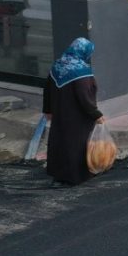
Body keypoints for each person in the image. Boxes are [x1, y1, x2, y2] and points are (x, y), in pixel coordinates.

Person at [42, 37, 105, 185]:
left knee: (60, 142)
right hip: (78, 118)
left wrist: (48, 110)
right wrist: (96, 115)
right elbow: (85, 98)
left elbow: (47, 89)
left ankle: (59, 174)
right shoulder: (82, 71)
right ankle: (76, 176)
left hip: (60, 114)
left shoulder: (57, 66)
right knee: (76, 145)